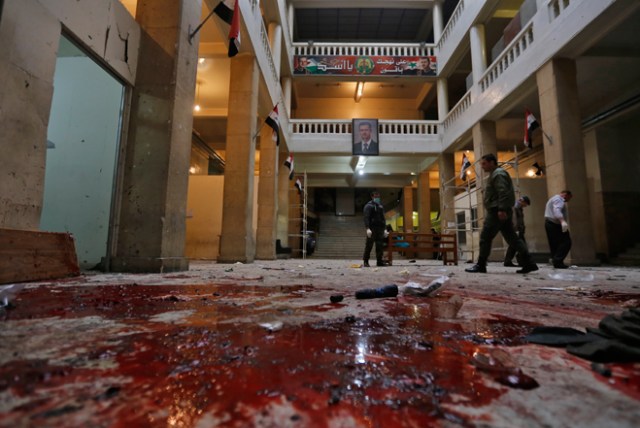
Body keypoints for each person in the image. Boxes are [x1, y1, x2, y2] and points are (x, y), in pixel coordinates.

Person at [465, 154, 538, 274]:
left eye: (484, 164)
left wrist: (501, 209)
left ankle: (481, 265)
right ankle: (529, 263)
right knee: (512, 238)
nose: (482, 167)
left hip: (496, 211)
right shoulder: (496, 174)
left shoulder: (498, 174)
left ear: (492, 162)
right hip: (500, 210)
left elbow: (502, 192)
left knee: (485, 238)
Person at [544, 190, 573, 269]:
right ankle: (557, 260)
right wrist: (562, 221)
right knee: (566, 242)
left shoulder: (554, 198)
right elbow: (557, 210)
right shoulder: (559, 200)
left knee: (554, 244)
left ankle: (556, 262)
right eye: (569, 198)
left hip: (549, 223)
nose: (568, 200)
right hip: (555, 224)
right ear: (566, 195)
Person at [504, 195, 531, 267]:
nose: (525, 206)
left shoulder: (519, 208)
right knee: (522, 246)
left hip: (519, 230)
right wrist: (516, 230)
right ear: (522, 201)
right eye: (525, 204)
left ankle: (508, 261)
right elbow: (514, 219)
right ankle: (521, 262)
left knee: (513, 246)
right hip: (517, 230)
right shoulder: (515, 207)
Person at [363, 191, 387, 267]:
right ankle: (366, 261)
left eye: (378, 197)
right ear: (372, 197)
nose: (377, 198)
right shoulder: (368, 206)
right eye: (376, 197)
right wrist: (367, 228)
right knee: (369, 246)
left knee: (380, 246)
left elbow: (383, 219)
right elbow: (366, 217)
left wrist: (385, 229)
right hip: (372, 228)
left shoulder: (380, 206)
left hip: (380, 229)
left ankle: (379, 261)